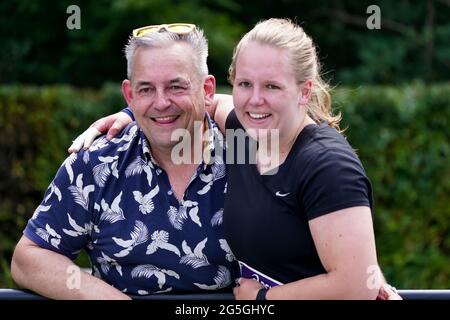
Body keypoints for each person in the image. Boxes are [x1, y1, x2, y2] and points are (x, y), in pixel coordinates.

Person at [68, 19, 402, 300]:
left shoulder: (326, 163)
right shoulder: (245, 132)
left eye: (272, 86)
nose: (255, 100)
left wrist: (262, 298)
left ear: (303, 91)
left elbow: (357, 284)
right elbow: (199, 102)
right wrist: (130, 113)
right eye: (244, 83)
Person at [11, 23, 238, 299]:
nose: (161, 102)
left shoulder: (250, 159)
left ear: (207, 89)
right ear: (129, 96)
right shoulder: (95, 165)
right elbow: (29, 258)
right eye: (146, 90)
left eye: (176, 86)